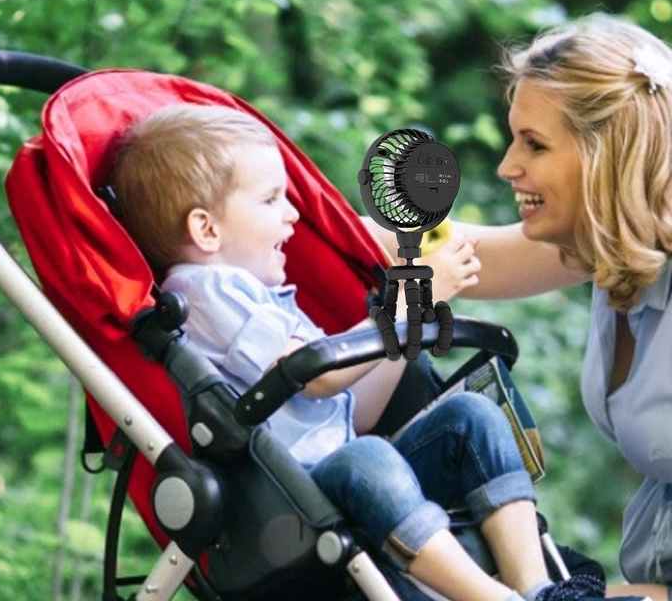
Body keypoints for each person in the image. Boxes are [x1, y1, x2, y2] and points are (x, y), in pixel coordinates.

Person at [109, 102, 608, 601]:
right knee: (368, 457)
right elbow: (317, 376)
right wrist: (411, 301)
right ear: (206, 230)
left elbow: (353, 404)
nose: (292, 214)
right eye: (270, 199)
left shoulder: (259, 299)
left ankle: (538, 588)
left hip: (346, 484)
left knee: (471, 416)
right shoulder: (205, 291)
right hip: (292, 506)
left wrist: (408, 320)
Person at [374, 13, 672, 601]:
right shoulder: (605, 244)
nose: (508, 166)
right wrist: (287, 219)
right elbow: (455, 251)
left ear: (608, 154)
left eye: (534, 144)